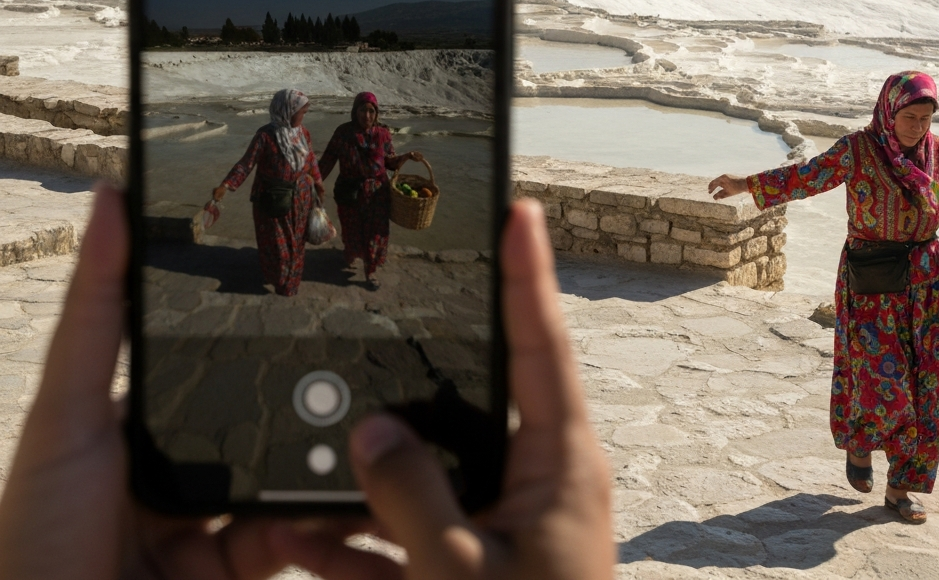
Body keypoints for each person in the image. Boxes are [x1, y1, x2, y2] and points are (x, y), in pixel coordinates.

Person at [0, 188, 615, 580]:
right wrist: (231, 189)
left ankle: (344, 268)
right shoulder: (299, 135)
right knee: (283, 250)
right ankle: (289, 277)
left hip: (360, 204)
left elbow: (346, 164)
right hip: (289, 207)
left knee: (356, 243)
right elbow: (306, 165)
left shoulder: (328, 132)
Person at [709, 70, 939, 524]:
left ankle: (900, 488)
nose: (918, 127)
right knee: (878, 380)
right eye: (910, 116)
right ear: (889, 110)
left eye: (926, 118)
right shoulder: (858, 149)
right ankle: (859, 442)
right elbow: (806, 177)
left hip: (926, 284)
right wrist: (746, 184)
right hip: (871, 279)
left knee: (924, 387)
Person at [212, 88, 324, 297]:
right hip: (271, 201)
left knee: (297, 245)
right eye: (302, 111)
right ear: (287, 111)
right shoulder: (265, 136)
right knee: (276, 245)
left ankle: (290, 283)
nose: (303, 116)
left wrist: (318, 182)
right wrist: (225, 186)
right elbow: (246, 164)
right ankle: (279, 278)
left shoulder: (303, 134)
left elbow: (311, 160)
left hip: (300, 200)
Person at [318, 92, 425, 288]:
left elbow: (390, 162)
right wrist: (313, 183)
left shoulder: (383, 134)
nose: (366, 116)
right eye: (362, 110)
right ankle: (352, 252)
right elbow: (327, 160)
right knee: (351, 231)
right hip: (349, 191)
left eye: (371, 111)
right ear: (354, 111)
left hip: (377, 193)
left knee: (376, 233)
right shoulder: (343, 132)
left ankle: (371, 270)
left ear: (376, 113)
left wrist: (407, 156)